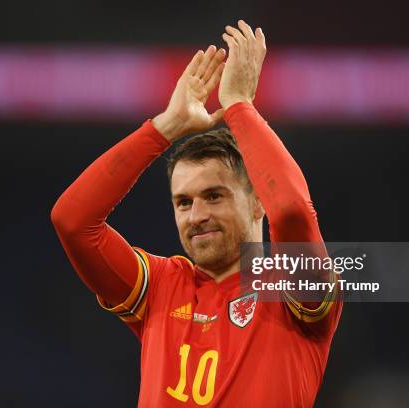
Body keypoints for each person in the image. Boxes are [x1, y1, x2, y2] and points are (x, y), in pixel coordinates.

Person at [51, 20, 341, 407]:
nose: (196, 215)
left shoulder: (294, 291)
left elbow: (290, 211)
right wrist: (165, 127)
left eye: (214, 196)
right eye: (183, 202)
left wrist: (239, 105)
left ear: (257, 203)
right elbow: (72, 221)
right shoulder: (160, 286)